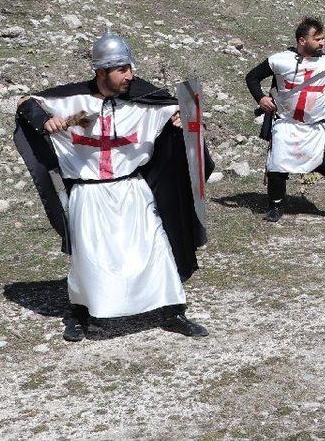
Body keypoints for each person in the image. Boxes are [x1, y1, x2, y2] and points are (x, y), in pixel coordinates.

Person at [13, 32, 214, 342]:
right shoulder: (71, 101)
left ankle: (172, 312)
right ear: (101, 71)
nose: (129, 75)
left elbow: (183, 111)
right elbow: (26, 102)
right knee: (91, 258)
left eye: (129, 68)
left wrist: (181, 119)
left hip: (132, 190)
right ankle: (82, 314)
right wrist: (43, 120)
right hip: (89, 193)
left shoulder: (143, 102)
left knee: (154, 250)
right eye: (122, 69)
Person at [245, 17, 325, 225]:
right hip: (286, 125)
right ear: (302, 40)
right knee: (277, 169)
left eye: (323, 38)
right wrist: (261, 98)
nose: (323, 43)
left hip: (317, 128)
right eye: (318, 39)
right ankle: (275, 208)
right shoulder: (280, 60)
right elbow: (252, 77)